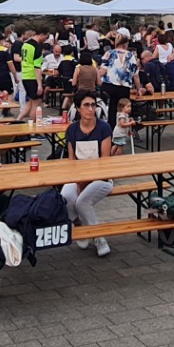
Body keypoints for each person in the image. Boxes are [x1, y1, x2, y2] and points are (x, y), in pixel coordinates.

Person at [60, 91, 118, 257]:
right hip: (78, 176)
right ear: (78, 108)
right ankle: (80, 227)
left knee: (82, 202)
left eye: (93, 105)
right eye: (86, 105)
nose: (91, 109)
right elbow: (72, 161)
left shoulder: (104, 128)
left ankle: (99, 238)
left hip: (102, 177)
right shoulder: (72, 129)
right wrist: (78, 181)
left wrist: (85, 182)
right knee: (65, 197)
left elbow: (105, 161)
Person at [99, 39, 138, 118]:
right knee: (123, 110)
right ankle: (123, 123)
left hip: (109, 85)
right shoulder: (130, 55)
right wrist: (139, 88)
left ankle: (110, 124)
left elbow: (102, 71)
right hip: (123, 87)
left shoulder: (109, 53)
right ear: (125, 44)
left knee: (111, 110)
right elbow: (135, 75)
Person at [18, 30, 45, 120]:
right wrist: (40, 84)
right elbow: (37, 67)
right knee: (37, 104)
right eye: (46, 37)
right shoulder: (36, 47)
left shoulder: (25, 44)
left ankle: (17, 120)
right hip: (33, 77)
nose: (46, 39)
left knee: (30, 102)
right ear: (42, 34)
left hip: (25, 75)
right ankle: (34, 126)